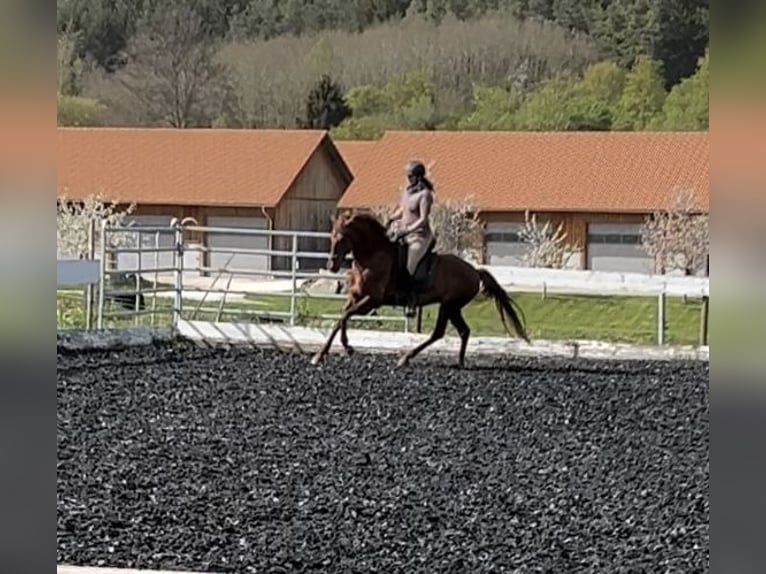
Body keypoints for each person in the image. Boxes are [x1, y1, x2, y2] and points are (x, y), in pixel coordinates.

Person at [385, 160, 435, 316]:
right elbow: (402, 210)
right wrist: (391, 218)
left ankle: (411, 300)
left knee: (409, 266)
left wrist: (407, 230)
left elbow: (423, 219)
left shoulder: (425, 195)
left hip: (419, 237)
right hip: (403, 233)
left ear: (418, 177)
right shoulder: (407, 192)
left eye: (410, 176)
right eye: (407, 176)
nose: (408, 179)